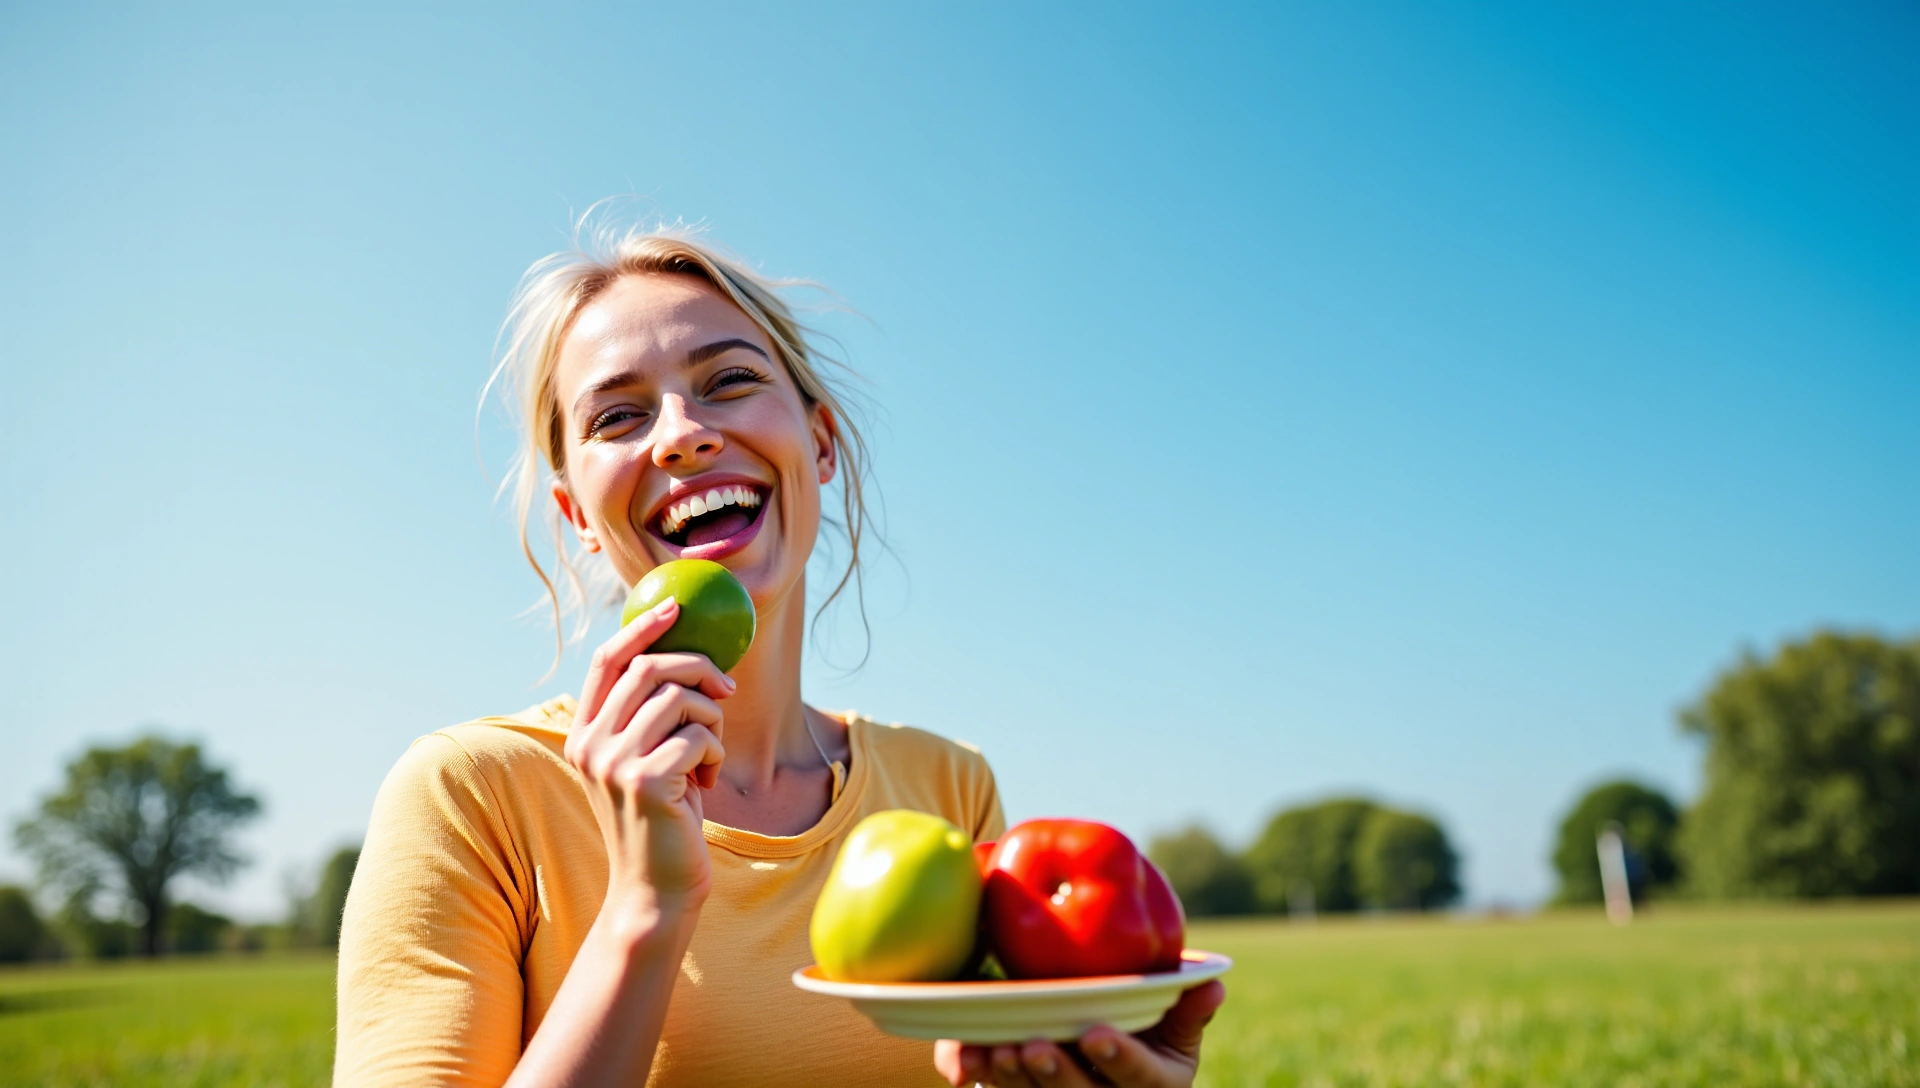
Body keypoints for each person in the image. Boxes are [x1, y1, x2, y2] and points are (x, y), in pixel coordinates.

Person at [332, 224, 1225, 1087]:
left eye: (729, 379)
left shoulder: (948, 787)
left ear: (820, 443)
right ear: (578, 518)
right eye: (617, 415)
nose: (682, 433)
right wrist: (646, 907)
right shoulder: (470, 792)